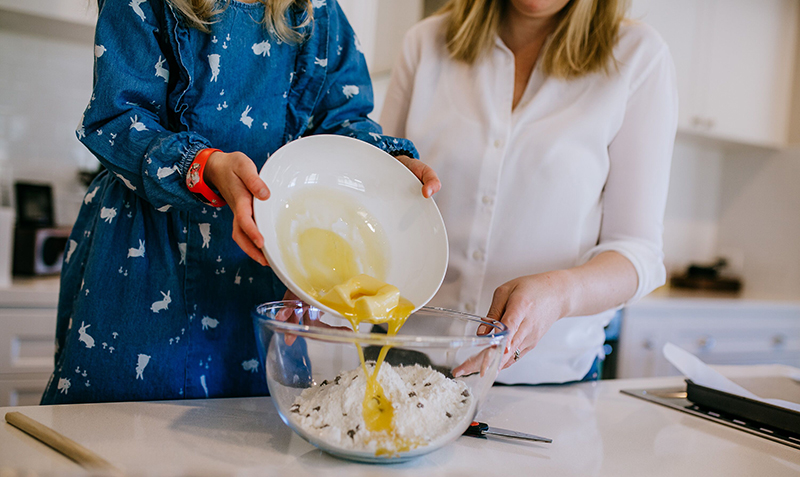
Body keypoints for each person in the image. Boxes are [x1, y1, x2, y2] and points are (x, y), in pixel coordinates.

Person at [40, 0, 439, 404]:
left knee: (249, 445)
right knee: (120, 443)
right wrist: (203, 165)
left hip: (257, 272)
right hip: (142, 266)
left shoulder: (318, 11)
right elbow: (116, 118)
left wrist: (389, 165)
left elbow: (342, 125)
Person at [380, 0, 677, 384]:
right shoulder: (425, 42)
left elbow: (638, 253)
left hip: (548, 382)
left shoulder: (639, 56)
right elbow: (378, 195)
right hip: (404, 366)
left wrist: (560, 293)